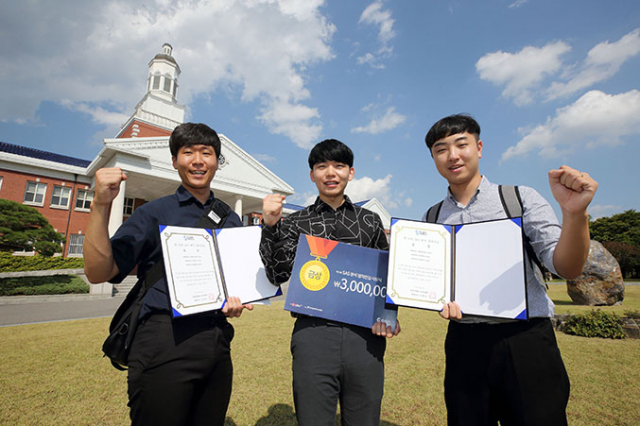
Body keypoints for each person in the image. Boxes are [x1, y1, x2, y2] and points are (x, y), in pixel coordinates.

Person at [423, 114, 598, 425]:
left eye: (461, 144)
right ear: (433, 158)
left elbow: (566, 267)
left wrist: (575, 214)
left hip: (526, 340)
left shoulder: (518, 199)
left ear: (478, 147)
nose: (452, 155)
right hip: (465, 342)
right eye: (440, 149)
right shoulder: (433, 216)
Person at [83, 123, 253, 426]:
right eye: (188, 152)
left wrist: (238, 300)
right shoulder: (152, 213)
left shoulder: (231, 219)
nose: (198, 160)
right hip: (163, 338)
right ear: (174, 161)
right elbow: (99, 272)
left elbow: (238, 281)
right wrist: (100, 205)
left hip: (216, 340)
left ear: (217, 161)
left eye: (207, 153)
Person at [259, 139, 400, 426]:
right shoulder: (296, 222)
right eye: (321, 166)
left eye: (338, 166)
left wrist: (388, 315)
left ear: (351, 172)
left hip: (365, 336)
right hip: (313, 334)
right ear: (312, 175)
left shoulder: (370, 222)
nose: (330, 173)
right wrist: (270, 226)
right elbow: (277, 274)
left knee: (364, 418)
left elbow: (386, 273)